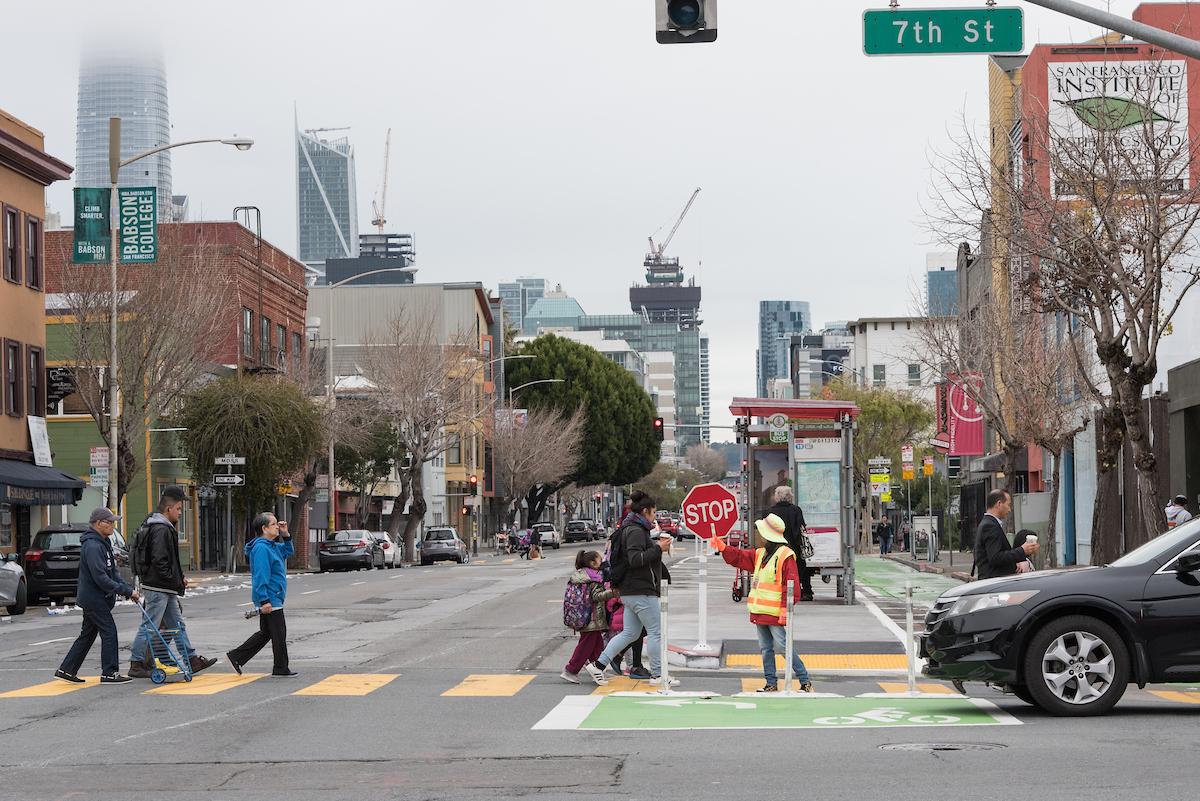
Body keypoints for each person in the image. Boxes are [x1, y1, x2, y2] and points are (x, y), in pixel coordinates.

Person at [582, 491, 676, 687]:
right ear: (645, 511)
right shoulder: (635, 531)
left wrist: (656, 547)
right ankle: (659, 675)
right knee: (656, 632)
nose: (655, 517)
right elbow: (635, 559)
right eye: (653, 513)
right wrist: (658, 548)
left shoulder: (631, 528)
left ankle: (598, 666)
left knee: (630, 634)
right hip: (640, 589)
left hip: (630, 590)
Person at [711, 513, 813, 693]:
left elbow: (791, 586)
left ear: (768, 535)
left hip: (775, 613)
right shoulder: (762, 553)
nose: (758, 534)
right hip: (760, 611)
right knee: (766, 649)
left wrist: (785, 608)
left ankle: (804, 680)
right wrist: (724, 548)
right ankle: (771, 683)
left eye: (761, 531)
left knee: (782, 647)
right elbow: (741, 557)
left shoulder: (785, 555)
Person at [128, 486, 218, 678]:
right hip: (158, 587)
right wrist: (175, 580)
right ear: (168, 508)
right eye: (178, 509)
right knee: (150, 625)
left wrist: (178, 579)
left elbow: (166, 561)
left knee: (177, 625)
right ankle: (136, 663)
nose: (180, 513)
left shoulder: (157, 526)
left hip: (163, 586)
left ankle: (191, 660)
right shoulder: (161, 529)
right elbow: (160, 561)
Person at [55, 508, 140, 684]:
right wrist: (124, 591)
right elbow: (100, 578)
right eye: (109, 522)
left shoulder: (103, 542)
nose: (112, 525)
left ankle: (67, 669)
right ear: (98, 523)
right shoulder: (93, 546)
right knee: (109, 632)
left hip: (98, 598)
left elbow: (112, 573)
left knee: (87, 635)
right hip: (94, 599)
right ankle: (109, 672)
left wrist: (127, 589)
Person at [226, 512, 296, 677]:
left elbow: (288, 551)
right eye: (274, 524)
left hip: (274, 596)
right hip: (270, 596)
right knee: (279, 633)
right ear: (264, 528)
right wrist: (264, 600)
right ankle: (280, 668)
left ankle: (236, 657)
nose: (277, 526)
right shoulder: (261, 548)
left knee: (267, 633)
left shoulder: (271, 546)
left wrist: (285, 535)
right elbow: (260, 575)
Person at [561, 550, 619, 684]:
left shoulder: (580, 575)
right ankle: (570, 670)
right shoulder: (594, 578)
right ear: (593, 563)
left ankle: (597, 669)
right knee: (586, 646)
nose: (602, 562)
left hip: (581, 615)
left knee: (597, 644)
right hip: (591, 617)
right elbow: (596, 596)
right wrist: (613, 593)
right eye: (599, 560)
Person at [972, 489, 1038, 580]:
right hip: (994, 582)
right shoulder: (990, 525)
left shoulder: (989, 523)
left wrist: (1014, 564)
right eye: (1008, 504)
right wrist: (1022, 550)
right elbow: (995, 557)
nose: (1009, 509)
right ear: (999, 504)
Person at [768, 485, 814, 601]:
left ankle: (779, 591)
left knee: (778, 569)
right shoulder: (796, 510)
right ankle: (806, 591)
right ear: (790, 497)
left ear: (777, 497)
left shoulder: (771, 511)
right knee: (800, 568)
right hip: (794, 547)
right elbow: (801, 528)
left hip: (776, 547)